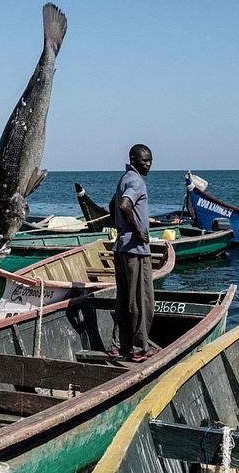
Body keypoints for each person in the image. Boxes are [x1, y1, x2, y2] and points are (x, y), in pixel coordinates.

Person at [109, 144, 155, 362]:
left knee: (124, 299)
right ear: (133, 159)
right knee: (141, 301)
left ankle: (118, 346)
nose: (149, 165)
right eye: (145, 160)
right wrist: (139, 232)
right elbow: (125, 205)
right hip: (135, 250)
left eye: (150, 160)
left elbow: (113, 204)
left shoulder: (125, 178)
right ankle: (139, 349)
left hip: (121, 247)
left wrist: (120, 228)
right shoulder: (136, 181)